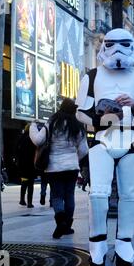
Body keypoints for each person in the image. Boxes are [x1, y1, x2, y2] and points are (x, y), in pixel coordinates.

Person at [75, 28, 134, 266]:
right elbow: (80, 113)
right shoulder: (92, 76)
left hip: (132, 140)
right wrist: (102, 115)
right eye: (111, 45)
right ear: (103, 46)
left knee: (131, 196)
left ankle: (124, 256)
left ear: (132, 47)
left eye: (124, 45)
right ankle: (96, 257)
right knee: (98, 195)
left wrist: (132, 107)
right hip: (102, 140)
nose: (117, 50)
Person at [29, 98, 88, 239]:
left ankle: (60, 221)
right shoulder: (77, 125)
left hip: (54, 167)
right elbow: (84, 149)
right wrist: (75, 159)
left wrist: (32, 126)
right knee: (69, 196)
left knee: (57, 196)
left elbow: (38, 140)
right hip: (72, 167)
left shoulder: (52, 122)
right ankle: (67, 226)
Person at [16, 123, 37, 208]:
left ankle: (22, 199)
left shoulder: (21, 138)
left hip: (23, 165)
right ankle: (29, 202)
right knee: (31, 184)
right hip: (31, 164)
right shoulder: (32, 139)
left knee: (24, 182)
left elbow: (16, 150)